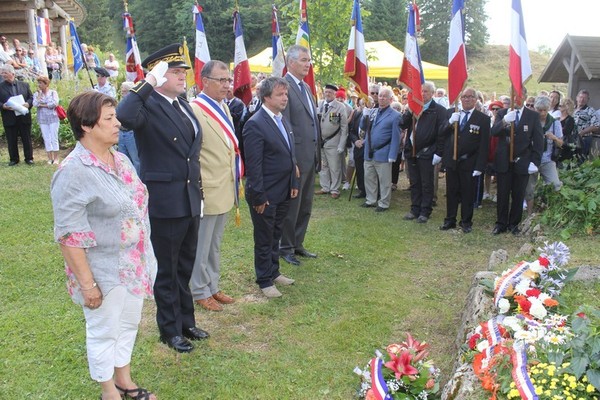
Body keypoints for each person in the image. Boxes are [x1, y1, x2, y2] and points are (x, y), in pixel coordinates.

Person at [51, 91, 157, 400]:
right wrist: (88, 285)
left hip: (134, 263)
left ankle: (124, 379)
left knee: (128, 324)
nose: (117, 123)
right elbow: (69, 235)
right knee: (103, 330)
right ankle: (108, 391)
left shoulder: (121, 159)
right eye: (109, 118)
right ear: (86, 125)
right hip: (103, 271)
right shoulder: (73, 172)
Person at [116, 43, 209, 353]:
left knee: (185, 265)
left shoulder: (182, 103)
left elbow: (190, 155)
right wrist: (149, 82)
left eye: (184, 70)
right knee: (167, 269)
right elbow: (124, 115)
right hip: (166, 200)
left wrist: (199, 192)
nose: (183, 75)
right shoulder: (147, 105)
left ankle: (186, 321)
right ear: (158, 73)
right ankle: (169, 330)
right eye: (174, 71)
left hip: (189, 197)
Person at [189, 60, 238, 312]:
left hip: (224, 186)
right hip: (207, 187)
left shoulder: (223, 107)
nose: (226, 85)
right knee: (202, 243)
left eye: (228, 80)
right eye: (221, 80)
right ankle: (199, 289)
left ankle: (213, 285)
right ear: (204, 81)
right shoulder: (195, 109)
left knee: (215, 242)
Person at [243, 77, 299, 298]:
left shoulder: (282, 120)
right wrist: (258, 197)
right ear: (266, 97)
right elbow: (254, 166)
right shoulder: (255, 124)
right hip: (265, 194)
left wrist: (293, 182)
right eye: (280, 94)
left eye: (286, 94)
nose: (285, 98)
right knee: (264, 237)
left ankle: (274, 271)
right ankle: (264, 279)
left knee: (276, 232)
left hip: (283, 189)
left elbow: (290, 155)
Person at [279, 45, 321, 266]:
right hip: (296, 157)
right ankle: (285, 247)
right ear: (291, 62)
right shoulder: (283, 87)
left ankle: (298, 242)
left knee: (305, 203)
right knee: (292, 205)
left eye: (309, 60)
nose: (308, 64)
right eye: (304, 60)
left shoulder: (305, 87)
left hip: (309, 155)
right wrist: (292, 160)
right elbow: (284, 126)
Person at [490, 90, 544, 235]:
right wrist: (504, 121)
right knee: (502, 193)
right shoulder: (502, 113)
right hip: (504, 159)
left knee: (518, 194)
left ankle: (514, 224)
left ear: (525, 97)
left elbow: (539, 141)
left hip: (522, 160)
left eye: (519, 95)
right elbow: (493, 132)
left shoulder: (532, 116)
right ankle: (500, 223)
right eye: (513, 95)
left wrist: (535, 161)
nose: (516, 98)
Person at [440, 88, 490, 233]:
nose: (467, 99)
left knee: (468, 194)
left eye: (470, 97)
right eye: (464, 97)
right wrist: (450, 122)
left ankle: (466, 222)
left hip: (469, 162)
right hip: (452, 160)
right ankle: (450, 220)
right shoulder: (452, 113)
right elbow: (441, 133)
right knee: (451, 192)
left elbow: (484, 145)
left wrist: (480, 166)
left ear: (476, 100)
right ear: (460, 98)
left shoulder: (483, 119)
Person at [401, 81, 447, 223]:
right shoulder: (414, 108)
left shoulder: (438, 110)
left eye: (426, 91)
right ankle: (415, 208)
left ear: (432, 93)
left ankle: (425, 211)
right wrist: (409, 111)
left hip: (428, 152)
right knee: (414, 182)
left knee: (427, 183)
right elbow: (402, 124)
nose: (422, 94)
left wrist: (438, 153)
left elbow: (441, 133)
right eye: (421, 91)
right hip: (412, 151)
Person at [360, 87, 401, 212]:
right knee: (369, 177)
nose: (381, 98)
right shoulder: (372, 112)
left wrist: (392, 154)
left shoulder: (396, 116)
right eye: (380, 95)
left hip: (384, 151)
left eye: (384, 96)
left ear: (390, 99)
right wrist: (364, 115)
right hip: (369, 151)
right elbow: (363, 127)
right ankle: (371, 200)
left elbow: (396, 137)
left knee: (384, 180)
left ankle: (384, 203)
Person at [524, 96, 563, 214]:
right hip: (532, 160)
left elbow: (561, 144)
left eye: (545, 110)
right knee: (529, 188)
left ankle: (551, 209)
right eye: (540, 110)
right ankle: (530, 213)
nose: (543, 113)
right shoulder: (530, 121)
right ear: (535, 109)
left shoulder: (555, 123)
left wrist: (554, 138)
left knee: (556, 184)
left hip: (547, 160)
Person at [315, 84, 348, 199]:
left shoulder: (340, 107)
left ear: (335, 94)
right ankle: (325, 187)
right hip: (321, 141)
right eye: (326, 92)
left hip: (334, 141)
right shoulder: (320, 105)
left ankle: (334, 189)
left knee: (334, 167)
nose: (327, 94)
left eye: (330, 92)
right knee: (323, 166)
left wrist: (341, 145)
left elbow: (344, 128)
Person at [0, 64, 34, 165]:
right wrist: (3, 106)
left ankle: (29, 158)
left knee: (26, 138)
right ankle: (14, 159)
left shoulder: (24, 85)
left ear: (12, 73)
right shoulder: (0, 87)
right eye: (2, 73)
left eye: (5, 73)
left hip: (23, 116)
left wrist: (28, 103)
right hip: (9, 116)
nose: (2, 75)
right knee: (11, 139)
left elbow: (31, 97)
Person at [33, 76, 60, 164]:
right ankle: (50, 158)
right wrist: (40, 98)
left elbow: (55, 103)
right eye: (38, 83)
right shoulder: (37, 94)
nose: (39, 85)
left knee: (54, 137)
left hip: (53, 118)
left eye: (41, 83)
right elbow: (35, 104)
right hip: (42, 119)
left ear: (46, 84)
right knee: (46, 138)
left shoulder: (53, 93)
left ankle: (56, 158)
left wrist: (43, 104)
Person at [117, 82, 140, 174]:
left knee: (136, 160)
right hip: (121, 133)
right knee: (123, 160)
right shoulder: (121, 102)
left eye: (125, 91)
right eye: (122, 91)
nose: (123, 94)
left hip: (131, 133)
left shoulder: (135, 104)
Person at [573, 89, 599, 158]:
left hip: (584, 139)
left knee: (580, 158)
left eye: (584, 98)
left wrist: (583, 132)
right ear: (577, 98)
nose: (582, 99)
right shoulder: (571, 109)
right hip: (571, 138)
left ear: (588, 99)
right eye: (580, 97)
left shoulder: (590, 110)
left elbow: (596, 126)